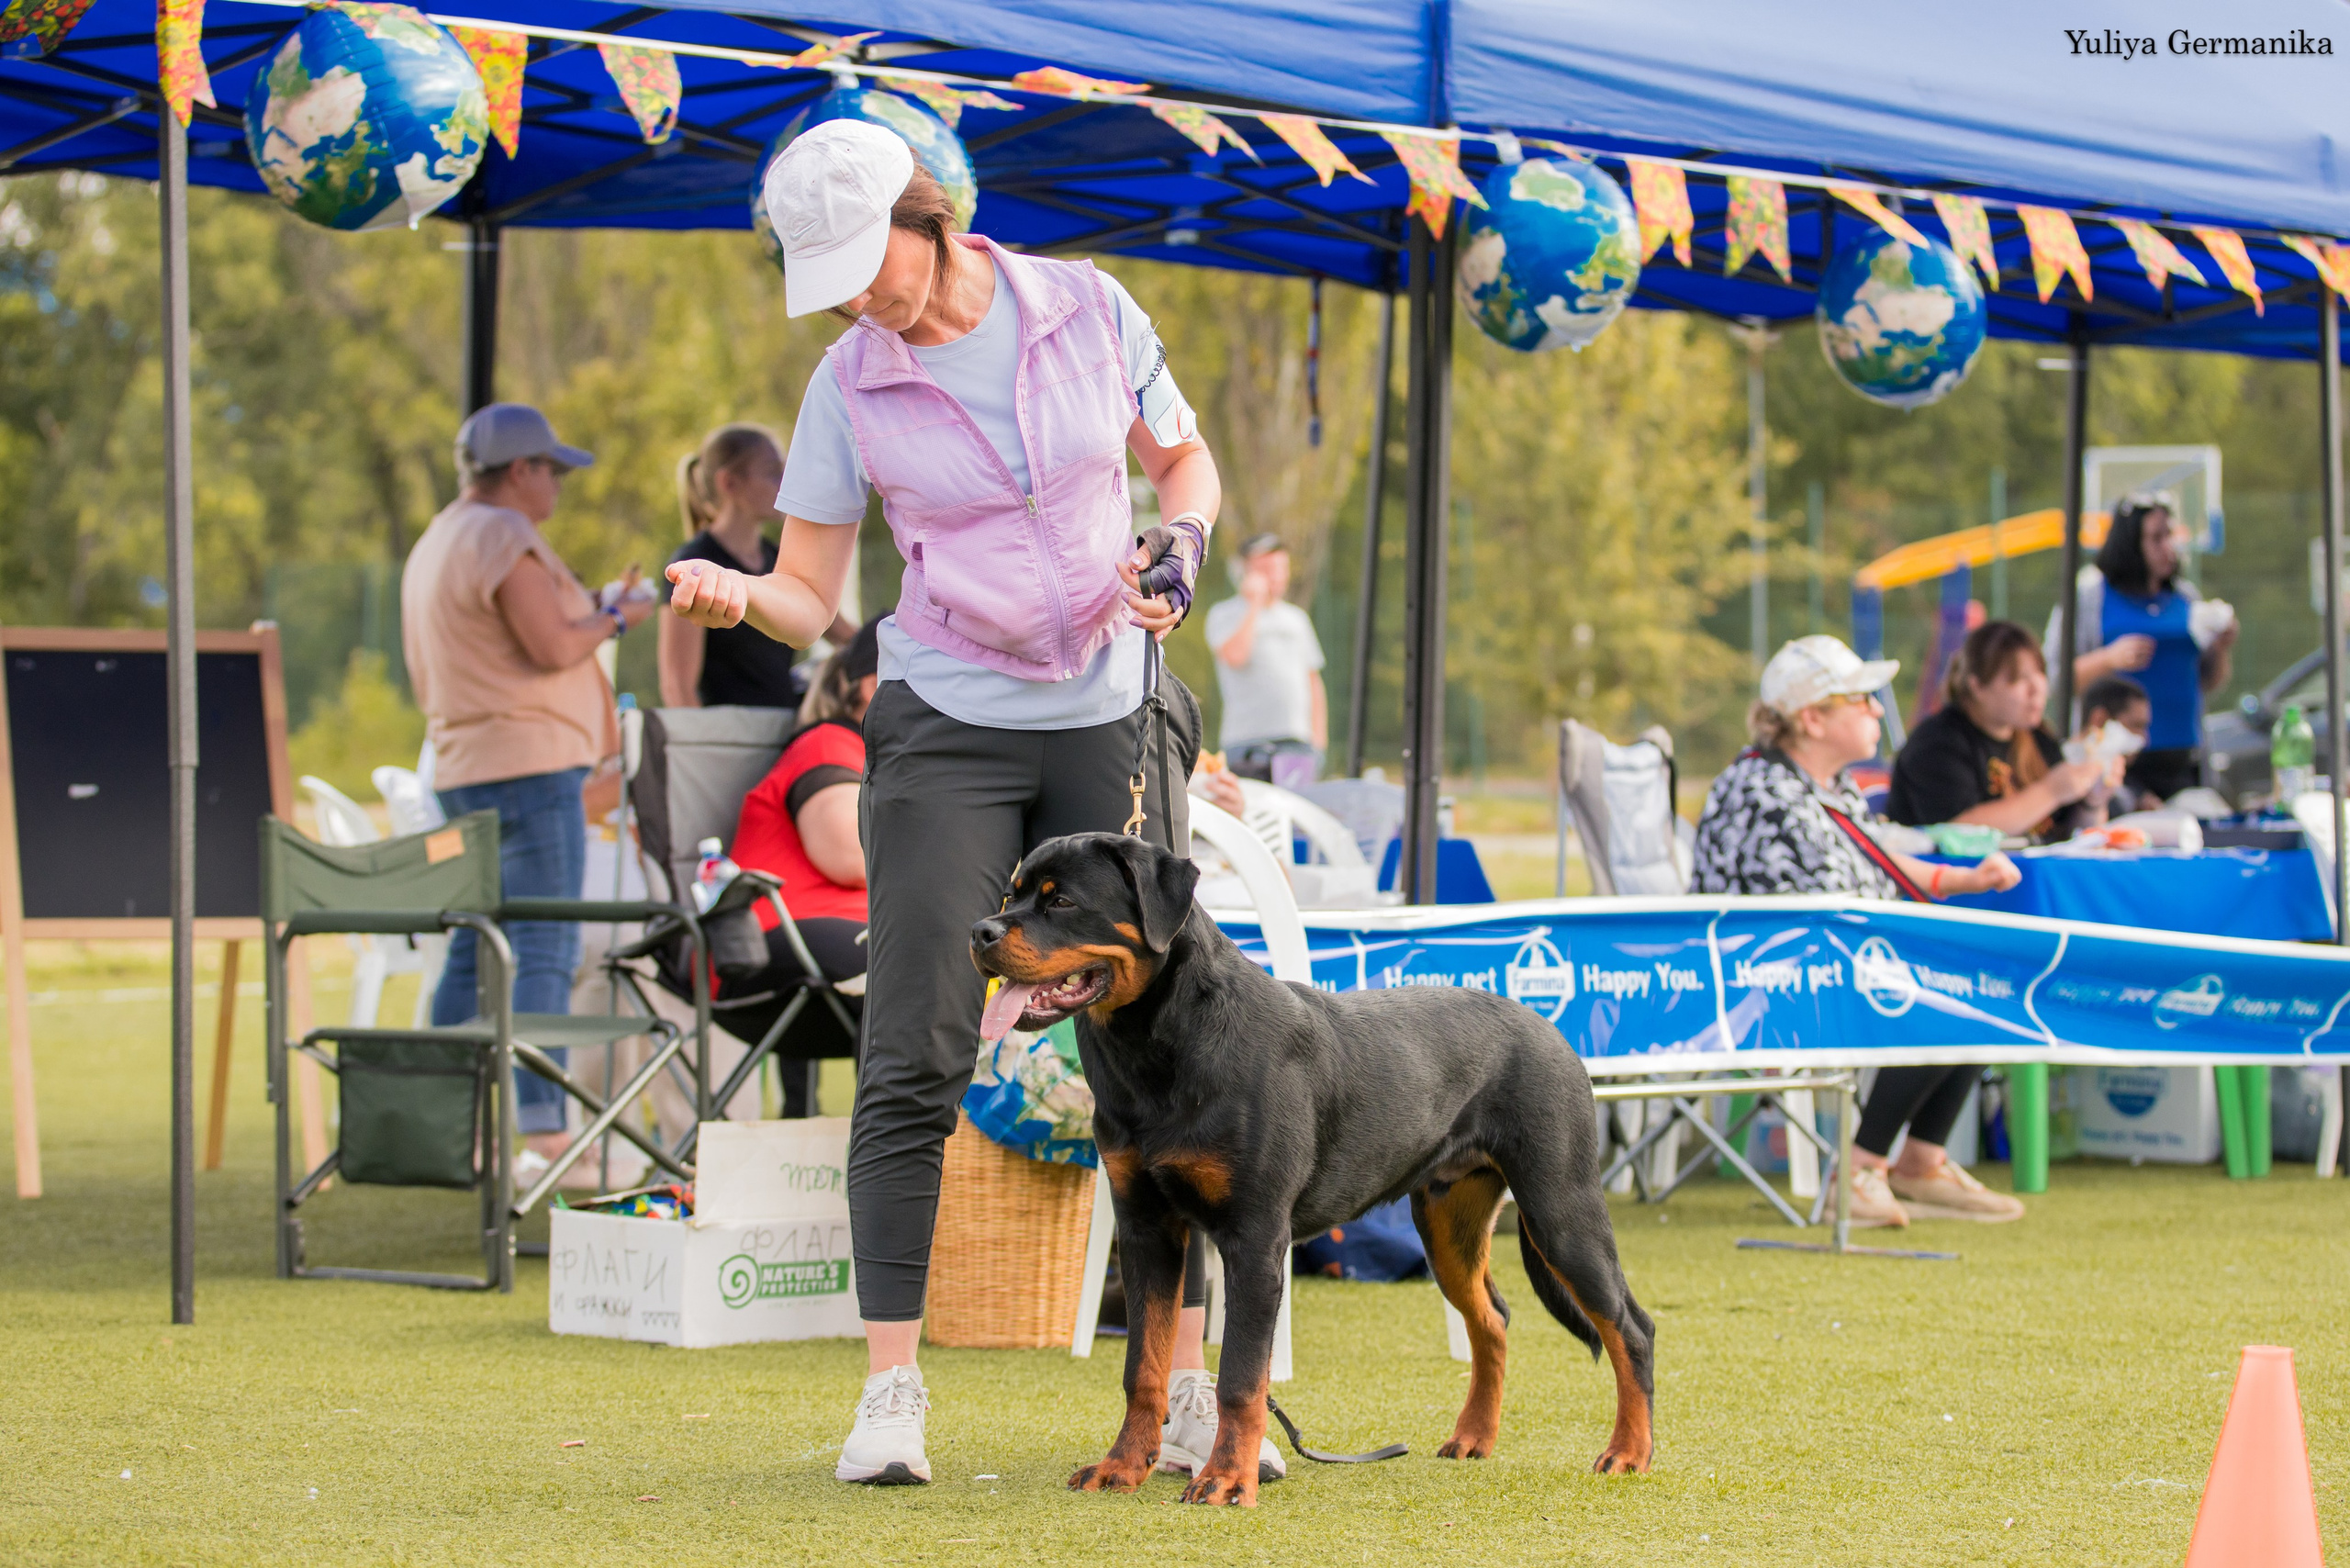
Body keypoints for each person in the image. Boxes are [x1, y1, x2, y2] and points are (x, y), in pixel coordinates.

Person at [660, 120, 1259, 1488]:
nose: (862, 299)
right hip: (945, 721)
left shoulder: (1090, 308)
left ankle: (1191, 1400)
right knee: (918, 1038)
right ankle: (889, 1396)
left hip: (1112, 699)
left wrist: (1178, 548)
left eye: (869, 265)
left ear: (928, 220)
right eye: (834, 282)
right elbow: (810, 594)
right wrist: (735, 592)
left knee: (1177, 1050)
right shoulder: (846, 385)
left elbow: (1187, 467)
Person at [1690, 635, 2025, 1228]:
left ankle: (1920, 1162)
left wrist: (1964, 881)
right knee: (1944, 983)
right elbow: (1832, 910)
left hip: (1826, 958)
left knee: (1985, 974)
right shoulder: (1765, 793)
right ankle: (1861, 1170)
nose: (1877, 709)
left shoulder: (1829, 786)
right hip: (1763, 983)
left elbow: (1875, 864)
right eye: (1861, 698)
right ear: (1812, 719)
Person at [401, 403, 651, 1177]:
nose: (558, 486)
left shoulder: (441, 536)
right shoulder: (504, 536)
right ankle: (545, 1134)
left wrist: (595, 609)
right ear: (520, 471)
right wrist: (613, 617)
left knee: (475, 948)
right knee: (544, 937)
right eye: (552, 470)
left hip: (465, 765)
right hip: (529, 765)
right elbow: (549, 646)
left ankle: (445, 1121)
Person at [717, 620, 880, 1111]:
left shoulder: (897, 761)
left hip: (850, 941)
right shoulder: (828, 743)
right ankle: (892, 1164)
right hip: (766, 947)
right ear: (871, 684)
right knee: (913, 968)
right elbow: (848, 858)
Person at [2045, 494, 2237, 801]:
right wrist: (2108, 659)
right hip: (2118, 763)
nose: (2168, 547)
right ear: (2131, 543)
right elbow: (2056, 679)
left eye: (2171, 535)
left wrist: (2221, 648)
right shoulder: (2091, 597)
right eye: (2156, 538)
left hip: (2183, 758)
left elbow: (2207, 681)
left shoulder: (2185, 598)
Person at [659, 422, 857, 709]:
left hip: (785, 734)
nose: (785, 482)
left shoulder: (780, 560)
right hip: (729, 739)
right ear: (729, 483)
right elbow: (677, 686)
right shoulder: (693, 564)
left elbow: (843, 634)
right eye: (773, 472)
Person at [1888, 621, 2120, 840]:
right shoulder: (1937, 743)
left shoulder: (2037, 738)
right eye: (2019, 679)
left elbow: (2072, 833)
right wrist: (2050, 792)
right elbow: (1956, 832)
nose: (2037, 689)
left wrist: (2093, 800)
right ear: (1977, 686)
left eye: (2040, 674)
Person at [1205, 533, 1327, 789]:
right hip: (1246, 743)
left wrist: (1318, 742)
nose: (1276, 576)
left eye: (1281, 568)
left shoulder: (1297, 619)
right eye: (1266, 569)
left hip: (1296, 743)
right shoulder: (1224, 614)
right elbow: (1236, 656)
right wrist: (1254, 605)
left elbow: (1313, 681)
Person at [2080, 673, 2154, 813]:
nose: (2144, 740)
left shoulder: (2129, 785)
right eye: (2136, 725)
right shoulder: (2071, 783)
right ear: (2100, 720)